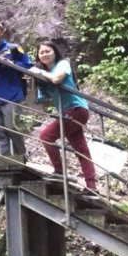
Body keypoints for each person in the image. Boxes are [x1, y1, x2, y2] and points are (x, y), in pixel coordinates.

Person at [28, 39, 97, 190]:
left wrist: (40, 72)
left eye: (48, 51)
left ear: (55, 52)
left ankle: (59, 172)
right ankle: (91, 186)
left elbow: (57, 79)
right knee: (81, 150)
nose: (45, 54)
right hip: (67, 112)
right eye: (41, 52)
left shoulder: (63, 64)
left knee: (46, 135)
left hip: (76, 109)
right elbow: (42, 98)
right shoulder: (44, 72)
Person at [0, 21, 32, 161]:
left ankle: (21, 155)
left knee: (12, 127)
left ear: (2, 32)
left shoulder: (14, 48)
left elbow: (28, 65)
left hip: (12, 94)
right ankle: (3, 159)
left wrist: (13, 64)